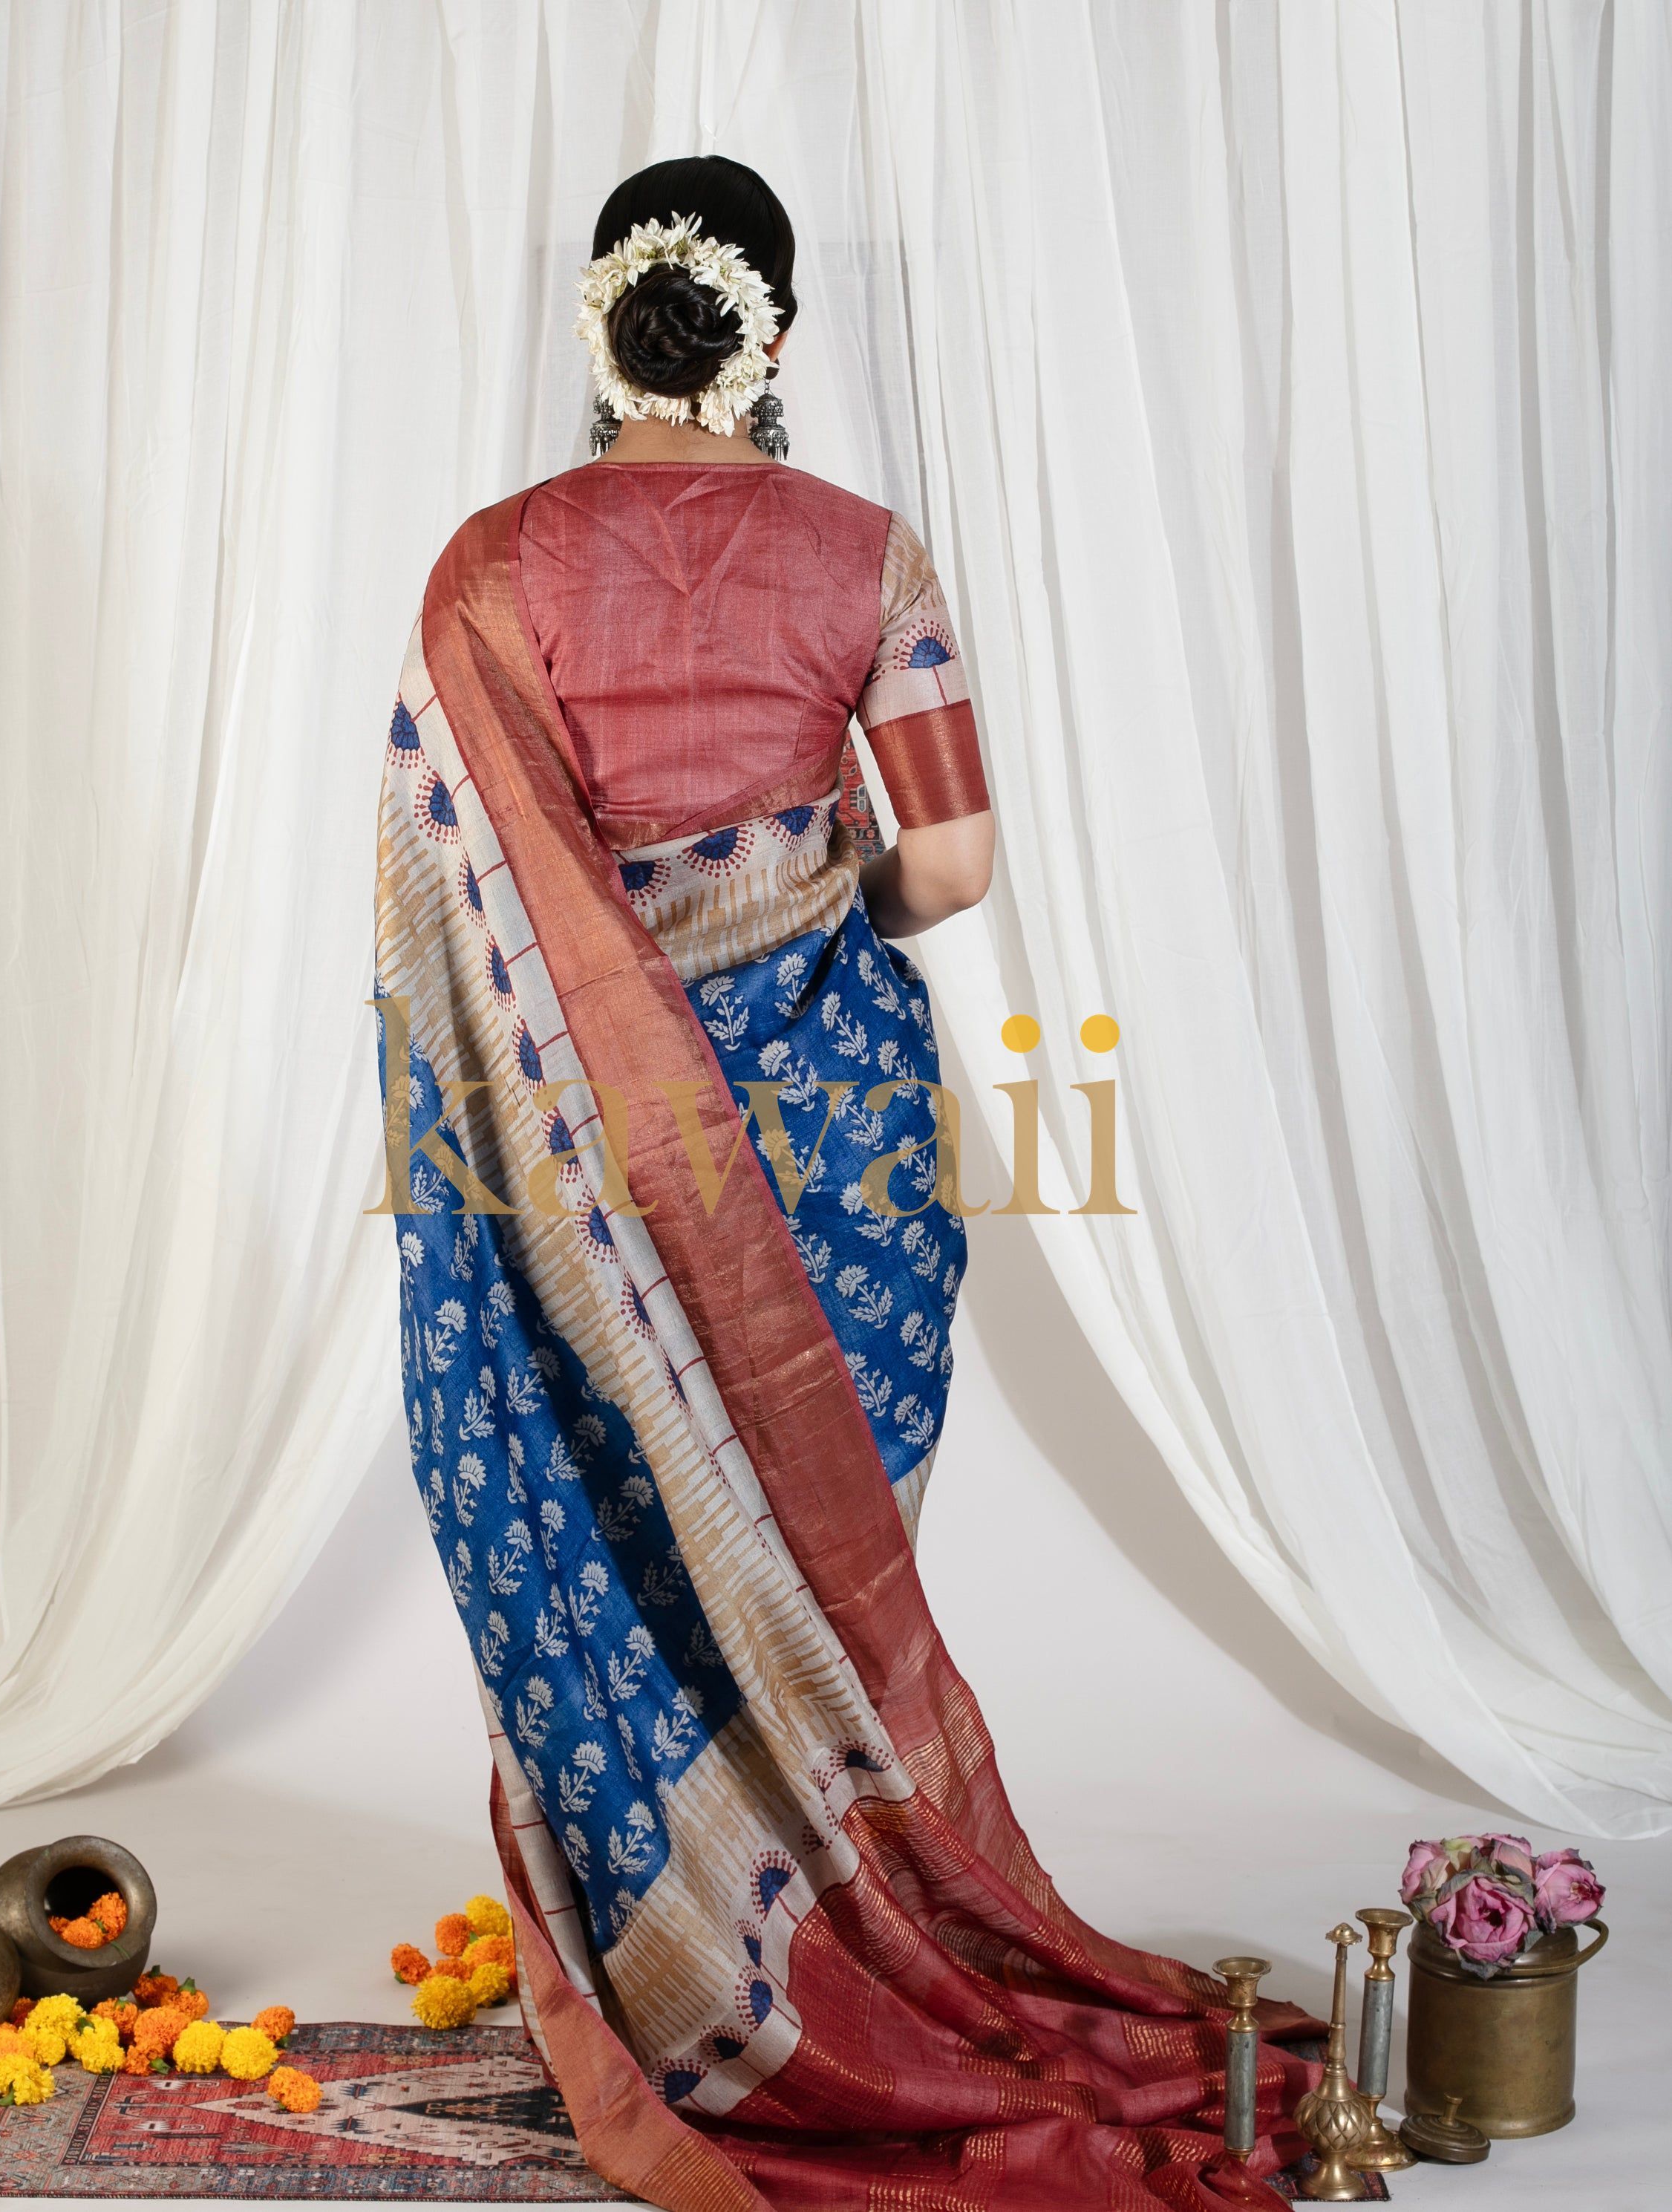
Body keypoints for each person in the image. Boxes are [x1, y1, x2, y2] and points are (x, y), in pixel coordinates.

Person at [376, 155, 1317, 2212]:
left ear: (600, 328)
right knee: (805, 1560)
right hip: (838, 1142)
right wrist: (814, 910)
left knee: (616, 1539)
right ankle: (825, 1957)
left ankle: (673, 1977)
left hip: (563, 1154)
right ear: (769, 336)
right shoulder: (866, 558)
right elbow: (954, 868)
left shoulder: (482, 575)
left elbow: (465, 924)